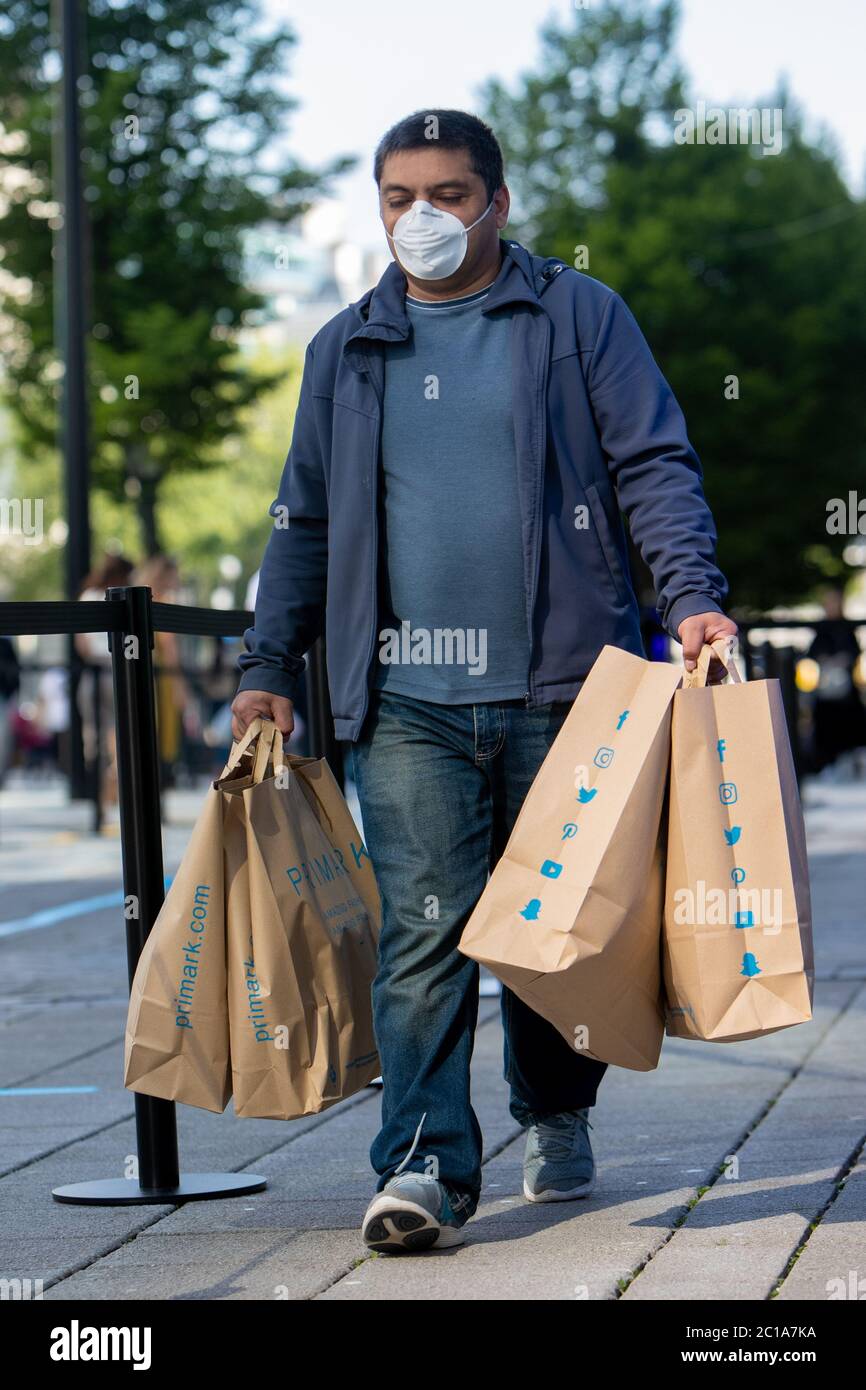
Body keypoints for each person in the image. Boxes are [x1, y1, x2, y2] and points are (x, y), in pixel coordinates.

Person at [231, 110, 738, 1253]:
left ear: (496, 202)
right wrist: (268, 664)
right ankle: (422, 1165)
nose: (423, 217)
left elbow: (651, 461)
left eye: (448, 194)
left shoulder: (574, 316)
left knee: (552, 938)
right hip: (403, 699)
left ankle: (555, 1107)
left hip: (566, 689)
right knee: (422, 937)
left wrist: (688, 593)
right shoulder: (345, 348)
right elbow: (301, 520)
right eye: (398, 194)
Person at [806, 585, 866, 773]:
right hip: (826, 690)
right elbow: (813, 653)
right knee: (826, 725)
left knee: (850, 725)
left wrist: (842, 661)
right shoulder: (822, 628)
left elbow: (853, 652)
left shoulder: (846, 628)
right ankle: (829, 764)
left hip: (846, 690)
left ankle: (848, 762)